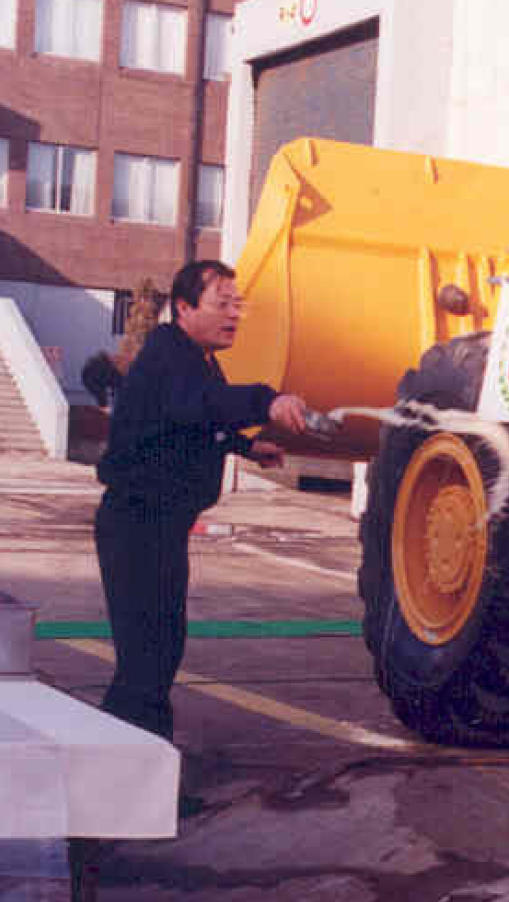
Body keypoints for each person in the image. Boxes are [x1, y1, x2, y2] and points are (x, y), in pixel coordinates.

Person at [93, 259, 308, 815]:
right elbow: (197, 406)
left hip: (158, 526)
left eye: (238, 304)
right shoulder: (170, 354)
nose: (234, 315)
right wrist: (265, 400)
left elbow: (197, 420)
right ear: (184, 308)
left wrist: (243, 446)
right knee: (146, 659)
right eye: (222, 303)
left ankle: (134, 787)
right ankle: (124, 792)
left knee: (157, 653)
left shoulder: (197, 362)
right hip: (137, 523)